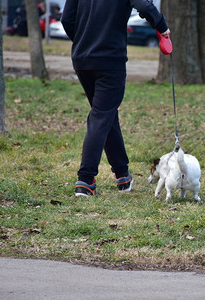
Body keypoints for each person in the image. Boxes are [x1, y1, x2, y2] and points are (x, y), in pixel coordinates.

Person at [61, 0, 170, 197]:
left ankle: (122, 175)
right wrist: (161, 26)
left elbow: (67, 19)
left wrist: (83, 41)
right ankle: (85, 180)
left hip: (82, 59)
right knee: (101, 116)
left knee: (106, 114)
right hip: (110, 60)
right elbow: (144, 6)